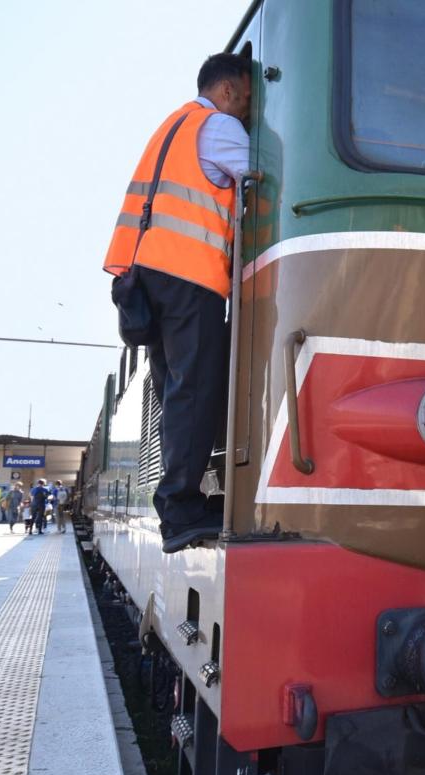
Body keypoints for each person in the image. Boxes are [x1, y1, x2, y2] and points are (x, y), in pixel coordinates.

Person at [103, 53, 251, 554]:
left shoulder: (173, 126)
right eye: (249, 98)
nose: (249, 110)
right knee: (195, 388)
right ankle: (181, 510)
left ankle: (181, 504)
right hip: (190, 275)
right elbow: (262, 178)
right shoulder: (220, 125)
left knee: (175, 392)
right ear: (229, 90)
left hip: (146, 277)